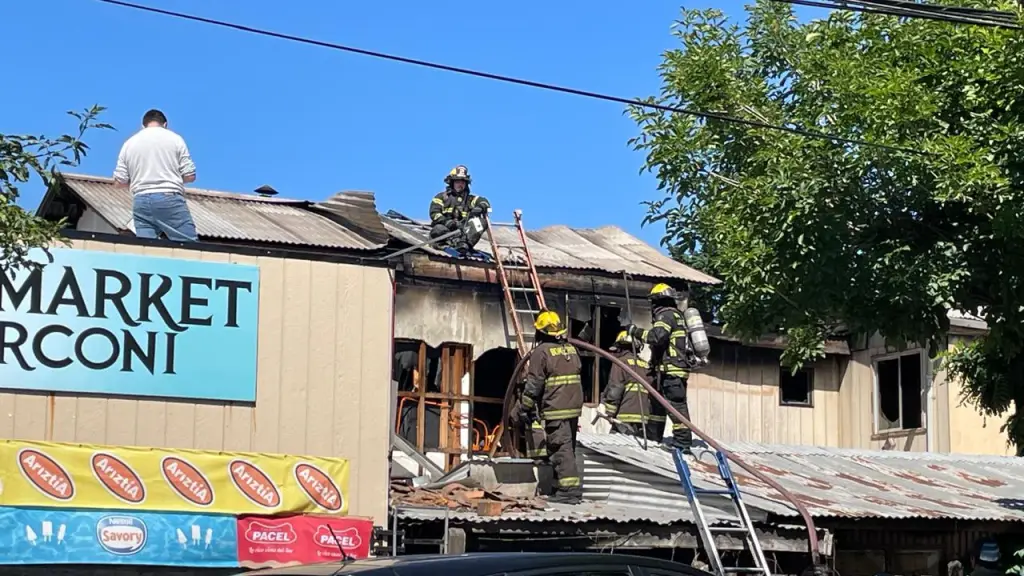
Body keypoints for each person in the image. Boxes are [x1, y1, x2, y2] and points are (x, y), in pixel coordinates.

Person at [520, 310, 584, 504]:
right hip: (573, 407)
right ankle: (560, 486)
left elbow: (534, 383)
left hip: (557, 407)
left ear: (542, 332)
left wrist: (525, 406)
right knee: (568, 446)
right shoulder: (571, 349)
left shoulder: (542, 351)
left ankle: (569, 491)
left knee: (560, 447)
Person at [113, 109, 199, 242]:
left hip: (140, 200)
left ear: (143, 126)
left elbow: (120, 181)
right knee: (190, 246)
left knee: (147, 247)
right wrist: (173, 177)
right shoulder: (175, 139)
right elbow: (190, 175)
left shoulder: (129, 144)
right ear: (165, 124)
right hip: (169, 197)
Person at [628, 283, 693, 452]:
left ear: (658, 301)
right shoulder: (677, 315)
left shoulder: (666, 316)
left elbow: (657, 337)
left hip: (672, 371)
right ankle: (653, 436)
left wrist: (635, 331)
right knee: (657, 405)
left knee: (676, 406)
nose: (652, 306)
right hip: (668, 370)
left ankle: (683, 443)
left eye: (653, 302)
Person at [428, 165, 491, 254]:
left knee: (481, 222)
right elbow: (434, 213)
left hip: (463, 234)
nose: (460, 185)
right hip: (445, 231)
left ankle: (464, 245)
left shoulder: (470, 199)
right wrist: (447, 222)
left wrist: (480, 207)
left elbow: (484, 202)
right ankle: (447, 244)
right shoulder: (441, 197)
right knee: (438, 229)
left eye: (462, 182)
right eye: (457, 182)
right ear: (452, 183)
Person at [600, 330, 652, 437]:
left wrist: (609, 412)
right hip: (643, 419)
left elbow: (615, 389)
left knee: (614, 447)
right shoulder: (645, 365)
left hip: (624, 417)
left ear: (621, 347)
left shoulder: (621, 363)